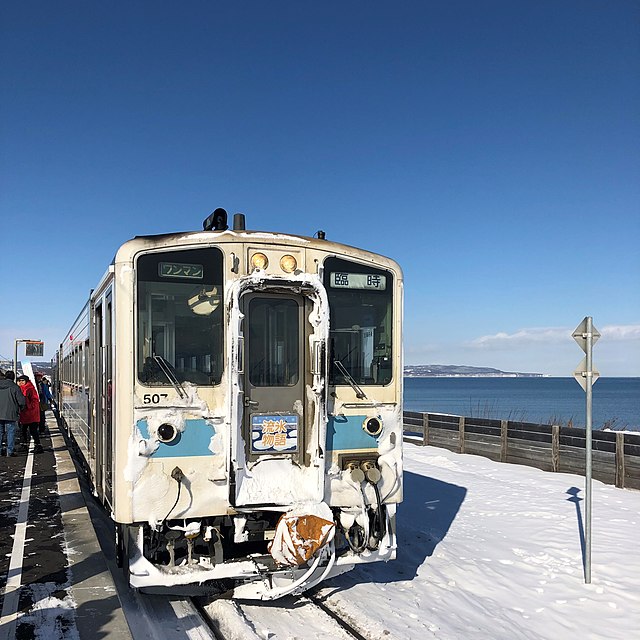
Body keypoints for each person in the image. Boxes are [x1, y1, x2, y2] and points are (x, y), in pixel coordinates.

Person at [0, 370, 26, 456]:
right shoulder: (15, 387)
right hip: (10, 413)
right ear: (13, 377)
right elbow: (21, 401)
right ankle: (10, 451)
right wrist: (21, 408)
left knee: (0, 432)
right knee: (10, 432)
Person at [17, 374, 43, 453]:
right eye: (19, 380)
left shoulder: (30, 389)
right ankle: (25, 445)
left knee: (32, 430)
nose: (21, 382)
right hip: (25, 414)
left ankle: (37, 446)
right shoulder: (22, 388)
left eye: (23, 380)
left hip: (30, 414)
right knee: (24, 430)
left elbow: (35, 401)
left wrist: (26, 405)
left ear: (26, 381)